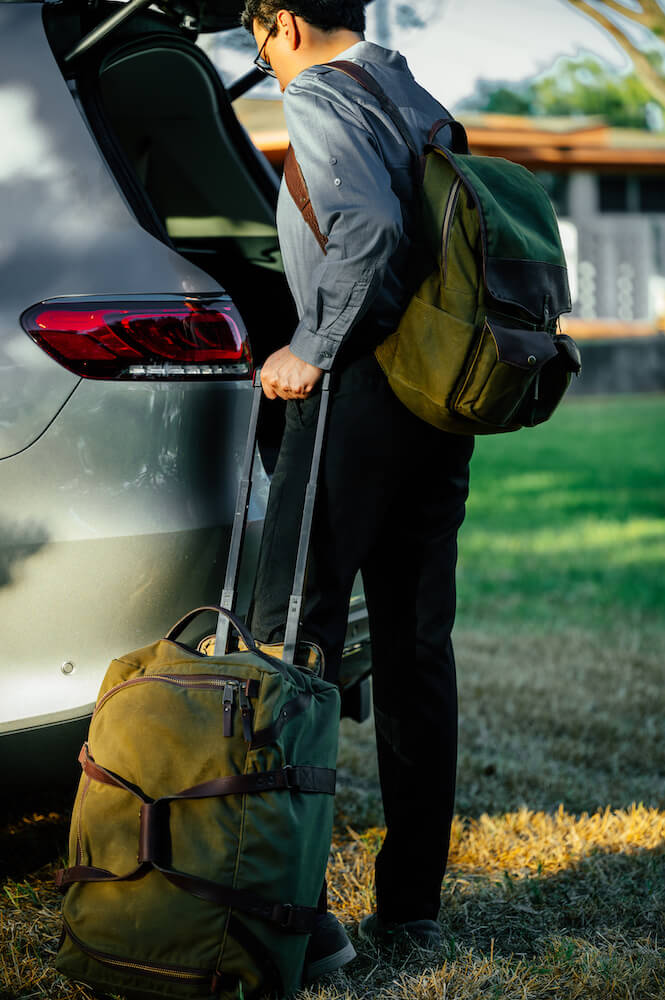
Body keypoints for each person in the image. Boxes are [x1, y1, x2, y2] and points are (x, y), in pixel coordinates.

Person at [240, 0, 474, 980]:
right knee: (417, 651)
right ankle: (410, 909)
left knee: (288, 645)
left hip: (356, 394)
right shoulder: (414, 93)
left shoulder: (321, 93)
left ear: (284, 23)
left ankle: (284, 912)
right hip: (440, 389)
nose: (265, 63)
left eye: (256, 43)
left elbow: (368, 224)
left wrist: (308, 345)